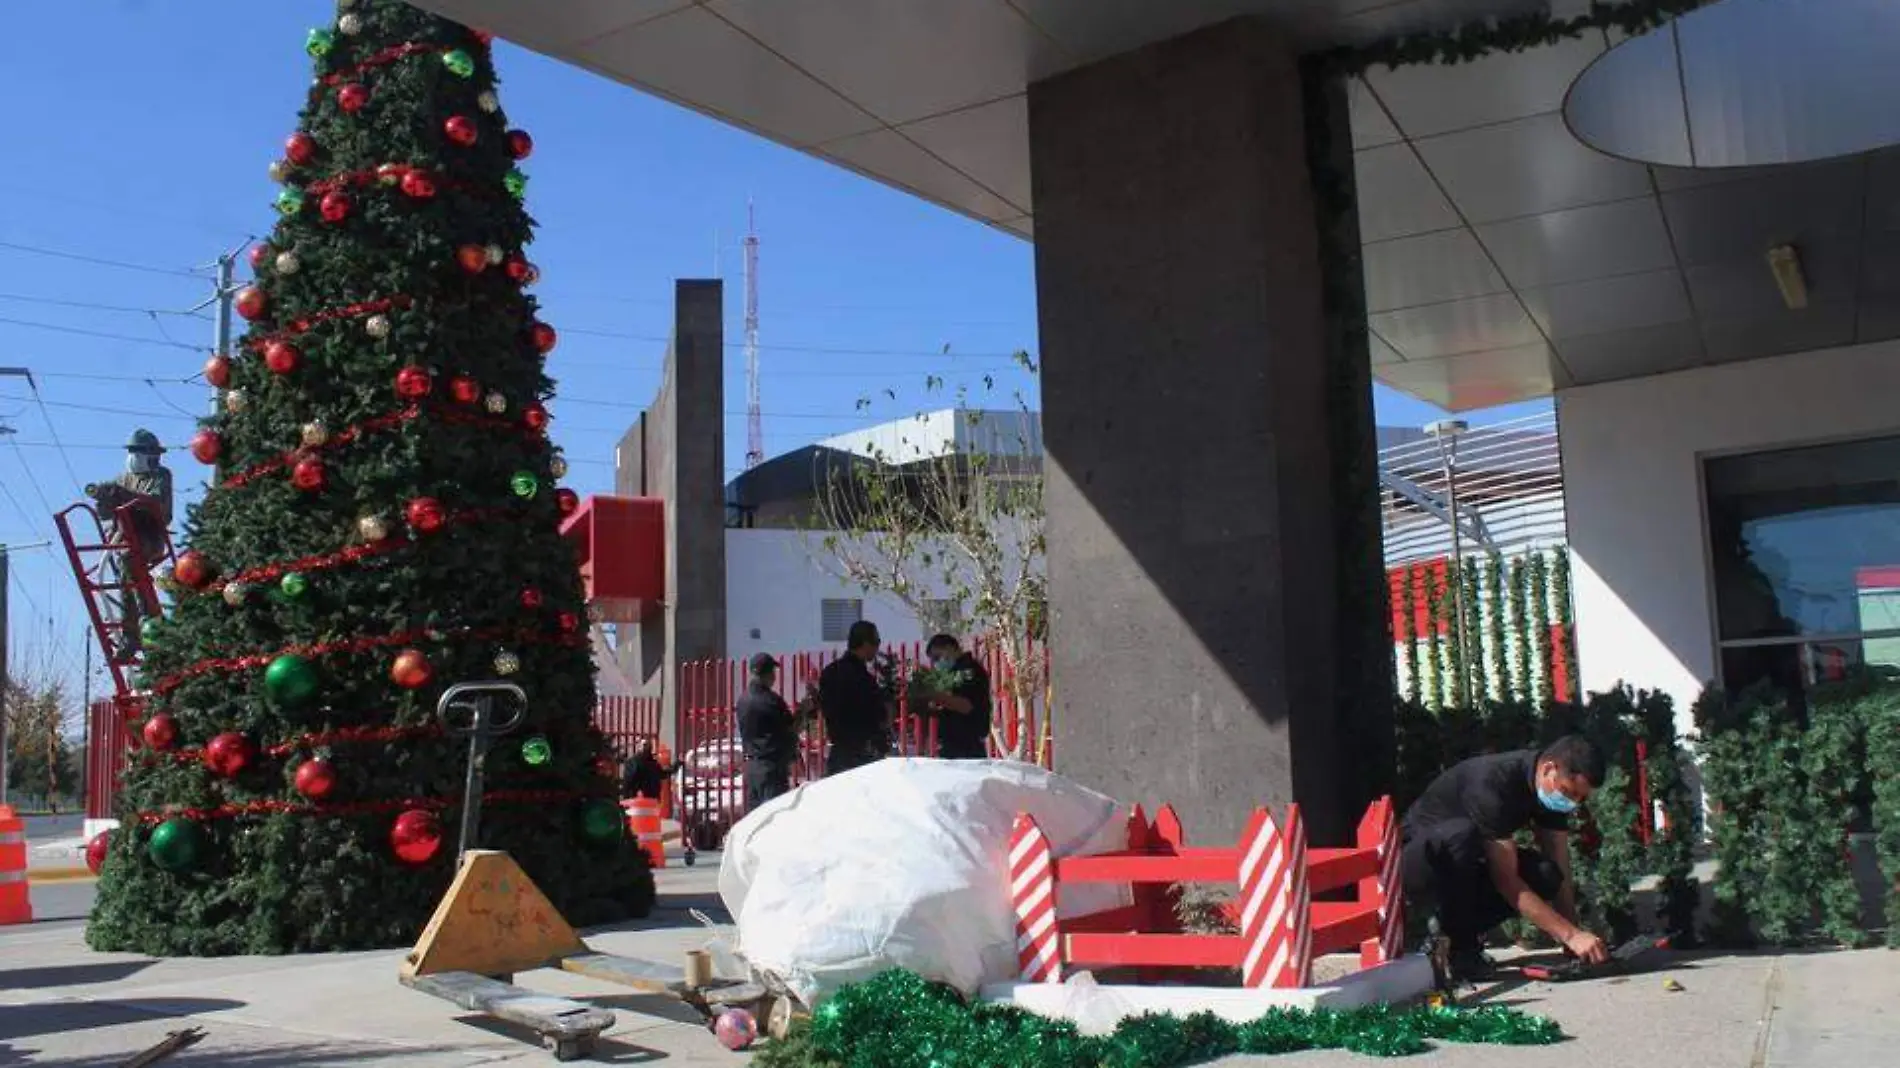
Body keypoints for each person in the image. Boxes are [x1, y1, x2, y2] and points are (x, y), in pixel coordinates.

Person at [1400, 735, 1610, 980]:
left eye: (1580, 798)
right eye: (1568, 792)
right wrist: (1571, 936)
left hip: (1466, 864)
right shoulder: (1493, 783)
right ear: (1549, 768)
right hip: (1418, 864)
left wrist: (1573, 932)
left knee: (1546, 875)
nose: (1572, 803)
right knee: (1461, 836)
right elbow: (1506, 880)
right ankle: (1459, 947)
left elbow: (1558, 856)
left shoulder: (1549, 791)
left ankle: (1450, 932)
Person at [86, 429, 173, 662]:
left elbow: (155, 504)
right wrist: (104, 497)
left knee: (128, 562)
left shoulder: (161, 476)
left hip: (150, 537)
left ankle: (135, 630)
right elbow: (105, 514)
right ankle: (140, 623)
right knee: (125, 569)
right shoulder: (122, 478)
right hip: (124, 538)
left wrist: (125, 495)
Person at [817, 620, 889, 776]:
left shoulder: (829, 672)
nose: (877, 648)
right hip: (862, 756)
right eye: (876, 642)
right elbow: (880, 718)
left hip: (838, 754)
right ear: (865, 644)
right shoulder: (864, 679)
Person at [736, 653, 798, 810]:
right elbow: (792, 728)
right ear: (768, 673)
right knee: (774, 816)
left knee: (755, 819)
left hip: (751, 766)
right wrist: (804, 710)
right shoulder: (771, 700)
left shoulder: (742, 700)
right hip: (771, 768)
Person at [919, 634, 992, 760]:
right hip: (952, 745)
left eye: (937, 657)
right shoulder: (952, 673)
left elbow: (966, 705)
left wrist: (934, 695)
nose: (936, 663)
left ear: (950, 648)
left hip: (966, 746)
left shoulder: (969, 670)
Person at [620, 737, 676, 802]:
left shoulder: (652, 764)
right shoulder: (634, 762)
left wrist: (676, 766)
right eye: (644, 745)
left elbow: (663, 774)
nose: (646, 748)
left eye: (648, 745)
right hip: (638, 800)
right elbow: (628, 781)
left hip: (648, 799)